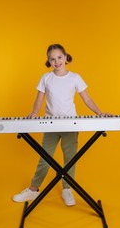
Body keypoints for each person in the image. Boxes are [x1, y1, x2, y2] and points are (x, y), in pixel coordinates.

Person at [13, 44, 111, 206]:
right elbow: (39, 99)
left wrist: (100, 113)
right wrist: (34, 113)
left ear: (66, 57)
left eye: (59, 57)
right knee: (45, 158)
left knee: (70, 158)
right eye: (52, 59)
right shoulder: (46, 78)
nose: (56, 61)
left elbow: (86, 99)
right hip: (50, 125)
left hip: (70, 125)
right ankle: (33, 190)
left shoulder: (75, 77)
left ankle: (67, 189)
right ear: (49, 61)